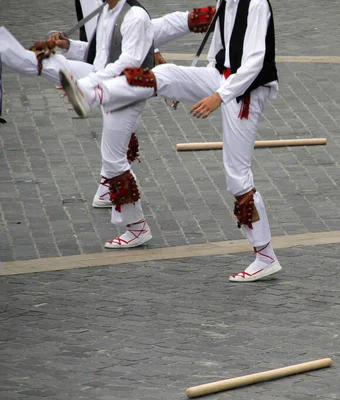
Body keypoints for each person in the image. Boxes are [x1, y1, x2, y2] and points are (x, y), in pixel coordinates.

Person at [60, 0, 283, 282]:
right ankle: (91, 93)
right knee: (164, 74)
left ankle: (266, 256)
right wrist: (190, 83)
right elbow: (218, 52)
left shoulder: (257, 3)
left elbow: (254, 62)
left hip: (246, 90)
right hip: (220, 78)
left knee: (237, 177)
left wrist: (218, 96)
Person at [0, 1, 214, 248]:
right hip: (101, 78)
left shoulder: (134, 16)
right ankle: (6, 49)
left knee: (113, 159)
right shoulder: (107, 12)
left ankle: (137, 227)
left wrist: (88, 84)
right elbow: (98, 56)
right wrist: (68, 47)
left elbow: (128, 64)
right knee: (48, 62)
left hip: (127, 91)